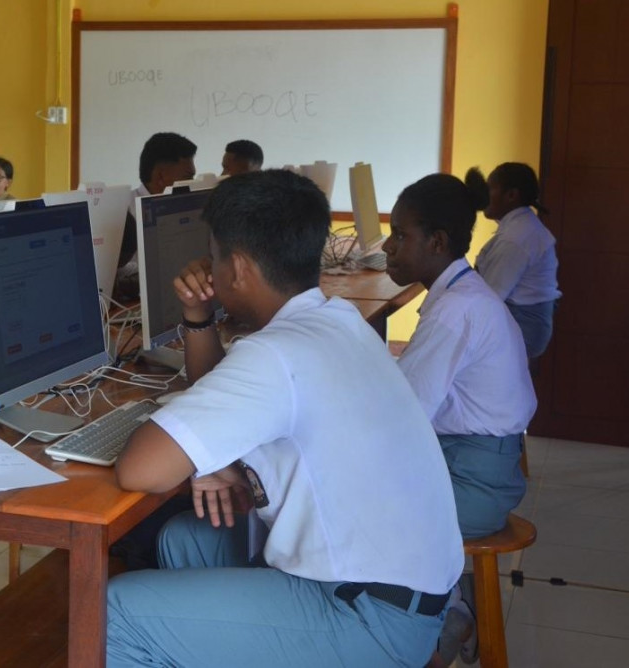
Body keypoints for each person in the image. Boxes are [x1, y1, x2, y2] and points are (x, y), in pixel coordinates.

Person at [106, 170, 464, 667]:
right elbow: (218, 397)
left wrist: (205, 461)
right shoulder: (336, 320)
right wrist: (198, 317)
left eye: (213, 256)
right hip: (406, 597)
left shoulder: (276, 353)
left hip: (367, 617)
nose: (208, 269)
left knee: (115, 612)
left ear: (238, 268)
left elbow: (139, 470)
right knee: (183, 540)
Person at [385, 171, 537, 666]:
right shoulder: (462, 295)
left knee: (354, 506)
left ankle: (434, 619)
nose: (388, 247)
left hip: (476, 483)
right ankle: (446, 604)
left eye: (400, 235)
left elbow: (404, 414)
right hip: (481, 467)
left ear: (436, 242)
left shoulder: (455, 309)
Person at [473, 162, 560, 368]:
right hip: (525, 324)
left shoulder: (516, 238)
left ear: (511, 195)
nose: (483, 195)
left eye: (489, 188)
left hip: (524, 328)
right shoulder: (521, 227)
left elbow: (490, 297)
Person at [114, 132, 198, 298]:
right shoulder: (122, 213)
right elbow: (117, 274)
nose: (192, 184)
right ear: (161, 176)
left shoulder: (186, 211)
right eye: (188, 177)